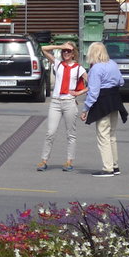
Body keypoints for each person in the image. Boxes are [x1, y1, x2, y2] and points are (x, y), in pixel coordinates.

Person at [36, 41, 86, 172]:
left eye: (69, 51)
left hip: (69, 102)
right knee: (50, 132)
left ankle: (69, 161)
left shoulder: (79, 68)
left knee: (71, 134)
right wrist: (61, 46)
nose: (66, 53)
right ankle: (44, 160)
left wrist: (79, 92)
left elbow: (92, 82)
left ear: (73, 53)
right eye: (64, 51)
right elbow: (44, 48)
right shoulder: (58, 64)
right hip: (56, 102)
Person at [81, 41, 128, 177]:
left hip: (103, 101)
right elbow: (121, 81)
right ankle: (115, 165)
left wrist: (85, 109)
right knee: (111, 134)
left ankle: (107, 168)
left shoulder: (96, 68)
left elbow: (93, 92)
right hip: (115, 100)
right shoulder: (113, 63)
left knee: (103, 135)